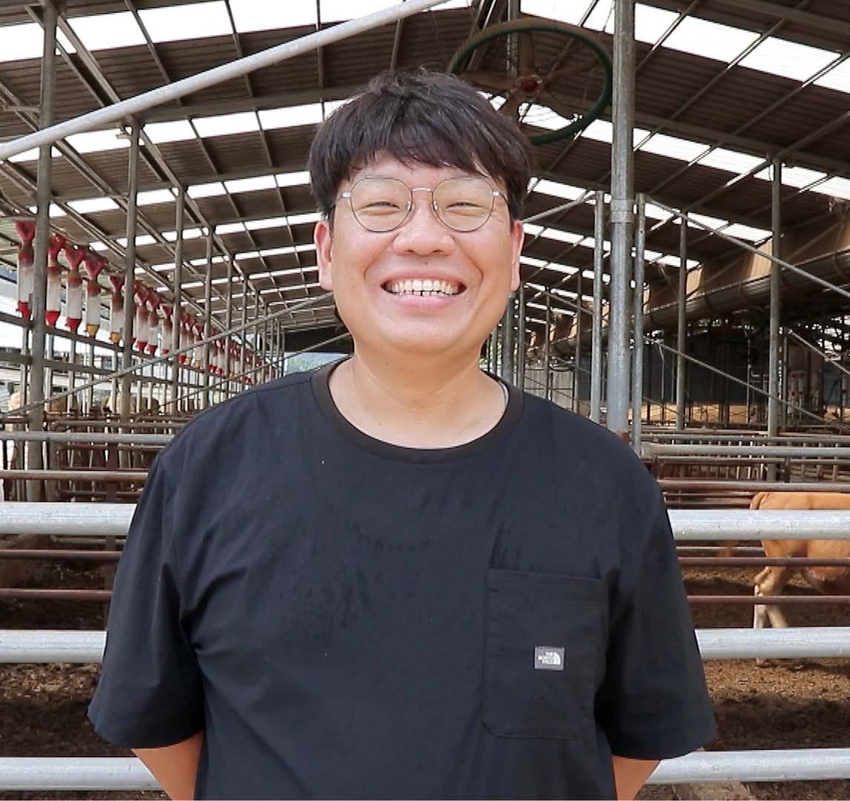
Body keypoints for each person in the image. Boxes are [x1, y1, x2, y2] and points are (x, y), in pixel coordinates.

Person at [88, 68, 716, 800]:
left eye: (465, 204)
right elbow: (157, 724)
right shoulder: (209, 467)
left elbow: (637, 737)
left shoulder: (605, 483)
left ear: (515, 250)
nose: (423, 238)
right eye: (382, 204)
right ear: (327, 251)